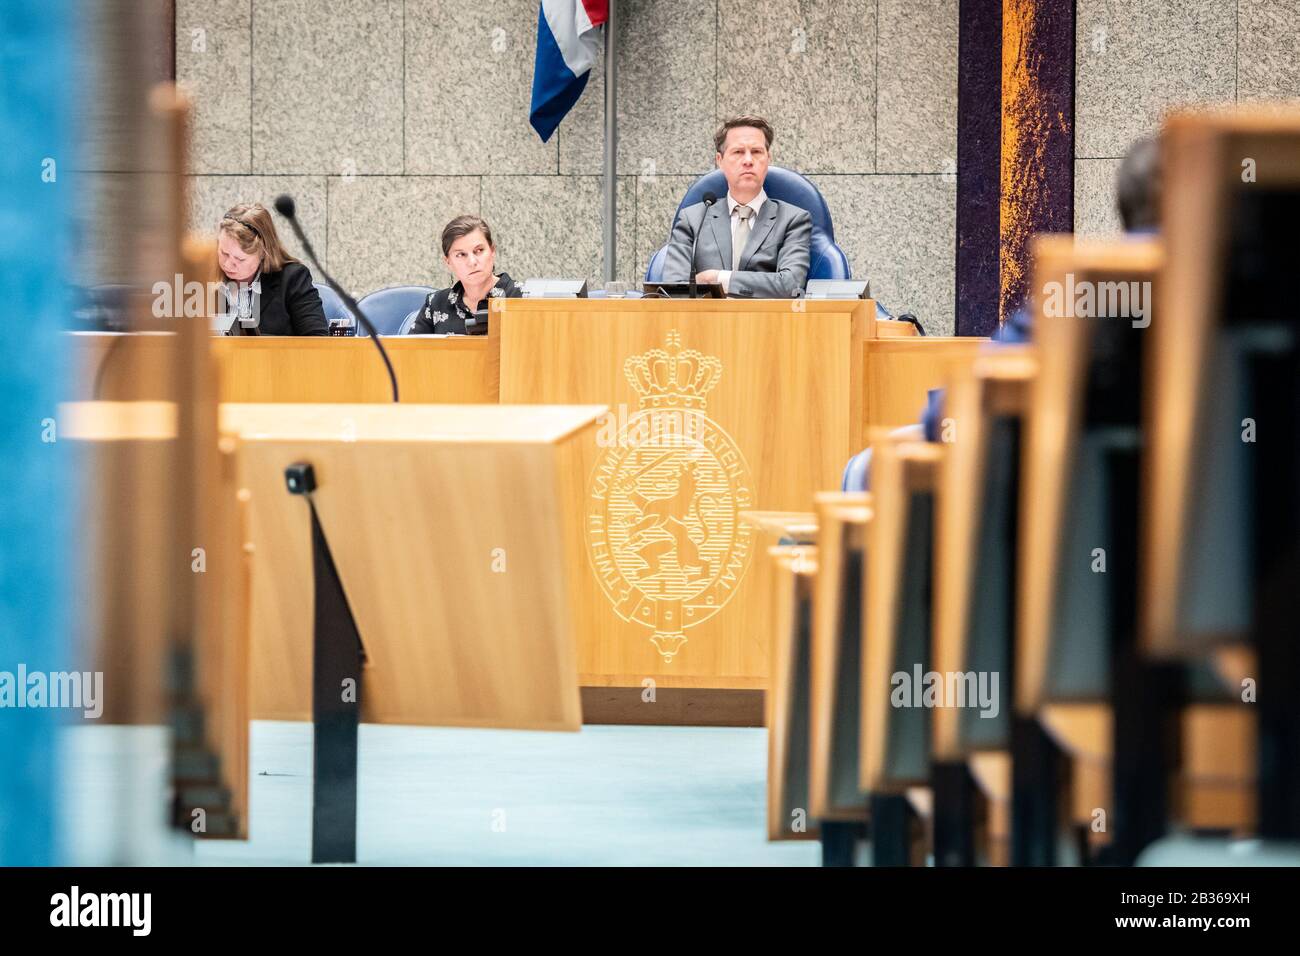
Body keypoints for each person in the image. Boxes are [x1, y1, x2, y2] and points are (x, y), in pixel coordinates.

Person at [843, 135, 1163, 488]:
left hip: (1077, 512)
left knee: (866, 469)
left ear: (1125, 209)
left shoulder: (1093, 287)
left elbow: (949, 414)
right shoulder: (1228, 285)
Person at [661, 116, 812, 298]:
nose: (748, 160)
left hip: (767, 323)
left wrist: (718, 278)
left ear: (768, 158)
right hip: (706, 322)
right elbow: (673, 290)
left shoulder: (793, 219)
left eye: (756, 151)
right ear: (720, 160)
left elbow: (791, 286)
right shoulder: (693, 219)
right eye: (738, 152)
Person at [216, 202, 327, 336]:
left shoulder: (293, 279)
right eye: (224, 253)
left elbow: (318, 341)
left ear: (263, 252)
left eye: (240, 259)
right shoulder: (200, 275)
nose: (228, 264)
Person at [409, 215, 521, 334]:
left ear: (492, 250)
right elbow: (410, 351)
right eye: (461, 255)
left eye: (479, 250)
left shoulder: (525, 297)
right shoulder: (435, 304)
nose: (472, 262)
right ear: (448, 262)